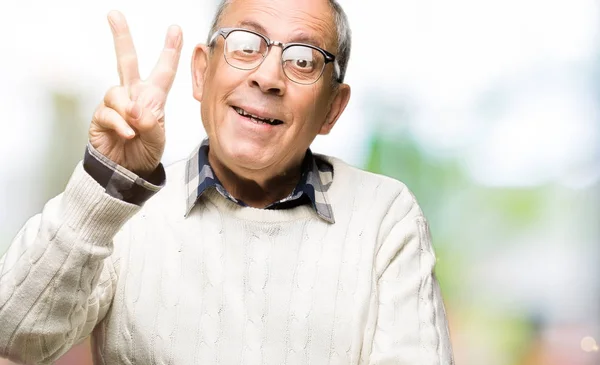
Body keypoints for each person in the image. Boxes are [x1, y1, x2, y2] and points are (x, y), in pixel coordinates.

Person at [0, 0, 454, 363]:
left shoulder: (385, 217)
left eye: (302, 59)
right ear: (201, 72)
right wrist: (107, 182)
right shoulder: (129, 213)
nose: (268, 76)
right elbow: (14, 338)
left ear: (333, 108)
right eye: (245, 45)